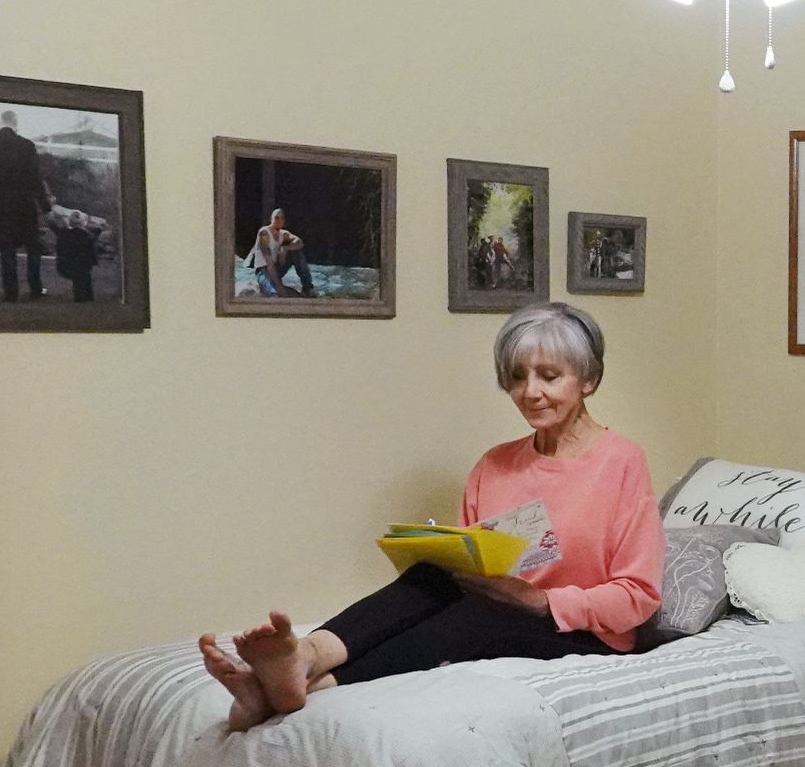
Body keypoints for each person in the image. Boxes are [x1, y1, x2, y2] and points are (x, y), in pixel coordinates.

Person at [197, 302, 663, 731]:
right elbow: (467, 558)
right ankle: (305, 659)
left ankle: (288, 691)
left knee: (474, 617)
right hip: (497, 607)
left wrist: (542, 602)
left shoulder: (621, 462)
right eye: (518, 377)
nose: (530, 392)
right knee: (430, 580)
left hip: (583, 635)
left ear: (588, 379)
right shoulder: (494, 463)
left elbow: (639, 596)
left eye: (549, 376)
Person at [0, 110, 54, 302]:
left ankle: (11, 291)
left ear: (1, 122)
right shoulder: (27, 146)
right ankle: (35, 287)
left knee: (6, 250)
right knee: (32, 247)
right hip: (24, 204)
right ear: (15, 123)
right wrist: (45, 206)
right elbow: (35, 179)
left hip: (2, 206)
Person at [247, 207, 315, 296]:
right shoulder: (264, 233)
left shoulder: (283, 233)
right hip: (264, 270)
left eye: (282, 218)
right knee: (274, 293)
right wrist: (278, 285)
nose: (279, 220)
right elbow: (269, 262)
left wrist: (285, 248)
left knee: (296, 252)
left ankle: (307, 288)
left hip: (277, 268)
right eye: (276, 218)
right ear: (271, 219)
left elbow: (299, 242)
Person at [48, 206, 104, 303]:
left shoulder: (64, 235)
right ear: (83, 223)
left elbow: (59, 249)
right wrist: (94, 262)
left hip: (66, 264)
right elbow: (92, 250)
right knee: (84, 275)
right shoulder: (87, 236)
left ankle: (82, 297)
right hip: (83, 265)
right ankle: (86, 297)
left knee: (79, 275)